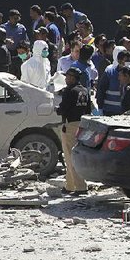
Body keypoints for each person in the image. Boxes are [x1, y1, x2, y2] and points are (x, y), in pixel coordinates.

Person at [55, 67, 91, 196]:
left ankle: (81, 187)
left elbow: (63, 109)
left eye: (68, 76)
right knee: (72, 156)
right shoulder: (84, 91)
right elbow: (88, 110)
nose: (66, 79)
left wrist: (57, 109)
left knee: (71, 157)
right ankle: (70, 185)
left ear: (73, 78)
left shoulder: (69, 91)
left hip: (70, 125)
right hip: (82, 125)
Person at [96, 50, 130, 116]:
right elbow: (101, 90)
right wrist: (100, 108)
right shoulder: (110, 72)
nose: (128, 64)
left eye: (129, 61)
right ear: (119, 61)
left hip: (124, 112)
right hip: (109, 111)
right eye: (126, 61)